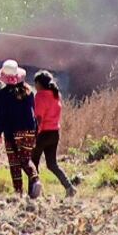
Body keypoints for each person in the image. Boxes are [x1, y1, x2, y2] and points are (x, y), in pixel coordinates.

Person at [0, 59, 42, 199]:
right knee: (26, 159)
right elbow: (33, 112)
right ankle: (35, 179)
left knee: (15, 163)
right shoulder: (29, 91)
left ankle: (18, 193)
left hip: (12, 131)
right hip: (30, 130)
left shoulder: (3, 94)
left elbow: (2, 115)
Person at [32, 70, 77, 198]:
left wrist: (34, 135)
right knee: (52, 164)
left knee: (32, 163)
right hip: (54, 133)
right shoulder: (56, 95)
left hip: (42, 134)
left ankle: (34, 190)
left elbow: (39, 118)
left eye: (36, 83)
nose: (35, 86)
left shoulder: (40, 96)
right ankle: (69, 187)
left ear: (39, 84)